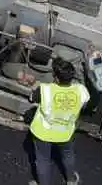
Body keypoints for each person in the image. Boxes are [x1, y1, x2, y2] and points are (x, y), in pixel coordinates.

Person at [27, 57, 90, 185]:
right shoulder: (81, 90)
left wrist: (33, 84)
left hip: (43, 133)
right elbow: (84, 104)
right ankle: (71, 180)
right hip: (65, 132)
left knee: (43, 160)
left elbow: (32, 98)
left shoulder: (45, 89)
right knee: (68, 156)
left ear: (55, 77)